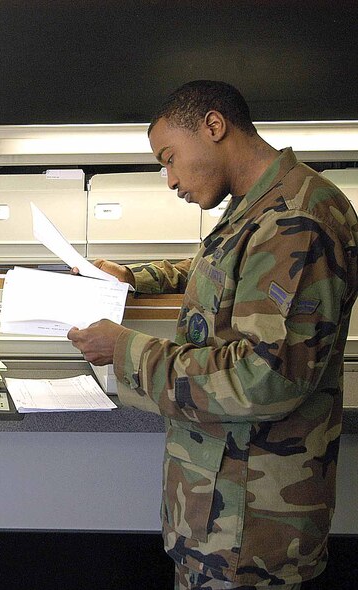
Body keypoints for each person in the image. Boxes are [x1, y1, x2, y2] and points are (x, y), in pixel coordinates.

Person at [68, 81, 358, 589]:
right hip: (221, 514)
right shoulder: (261, 205)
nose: (170, 180)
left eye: (170, 159)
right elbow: (224, 267)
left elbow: (264, 377)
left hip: (250, 534)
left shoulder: (297, 219)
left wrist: (125, 350)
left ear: (214, 126)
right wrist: (135, 276)